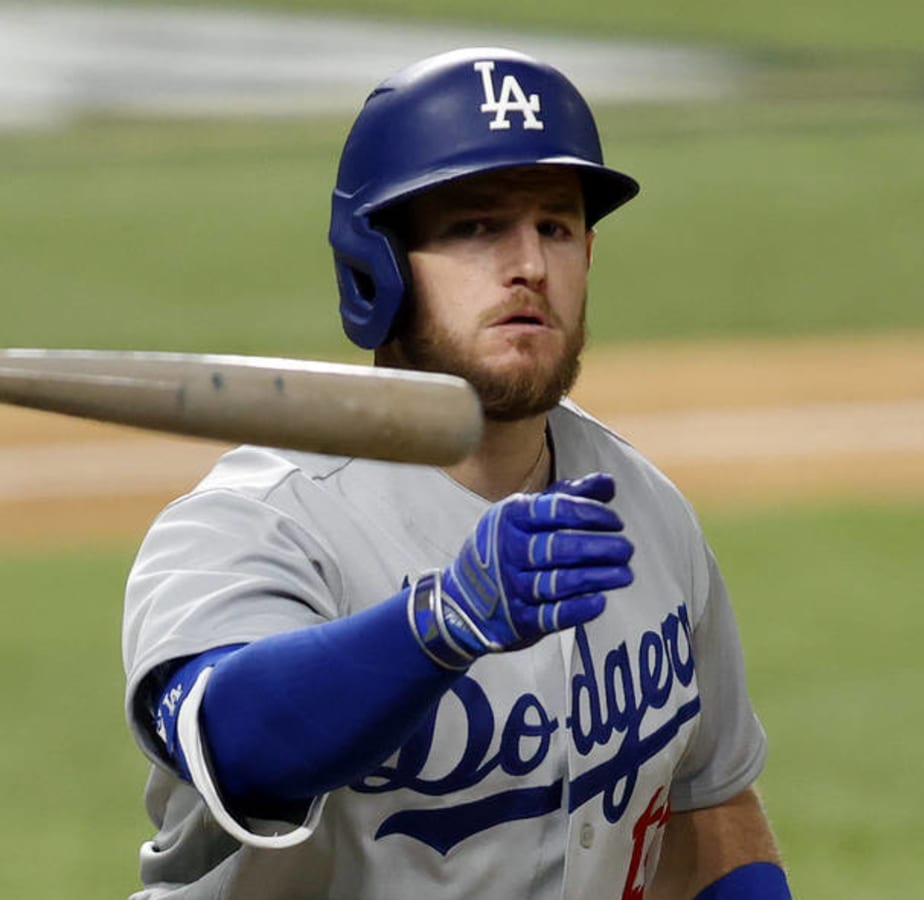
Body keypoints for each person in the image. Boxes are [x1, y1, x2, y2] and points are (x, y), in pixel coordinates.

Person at [121, 47, 791, 900]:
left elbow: (711, 813)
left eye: (554, 226)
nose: (530, 267)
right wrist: (441, 623)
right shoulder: (256, 521)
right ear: (379, 266)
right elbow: (239, 743)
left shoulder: (644, 510)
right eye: (476, 227)